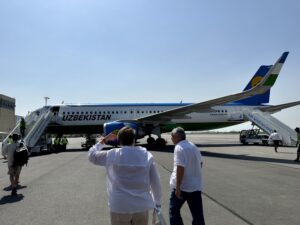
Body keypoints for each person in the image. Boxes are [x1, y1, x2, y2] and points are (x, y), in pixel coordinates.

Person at [88, 127, 162, 225]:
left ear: (119, 140)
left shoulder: (112, 154)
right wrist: (157, 204)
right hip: (141, 205)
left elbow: (91, 155)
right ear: (134, 139)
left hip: (119, 206)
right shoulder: (146, 155)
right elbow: (156, 183)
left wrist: (104, 140)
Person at [169, 127, 205, 225]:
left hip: (183, 188)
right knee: (198, 215)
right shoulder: (193, 146)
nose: (171, 138)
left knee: (174, 211)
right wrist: (193, 174)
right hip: (195, 186)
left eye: (172, 136)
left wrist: (178, 187)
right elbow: (200, 163)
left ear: (177, 136)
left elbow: (180, 168)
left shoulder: (179, 147)